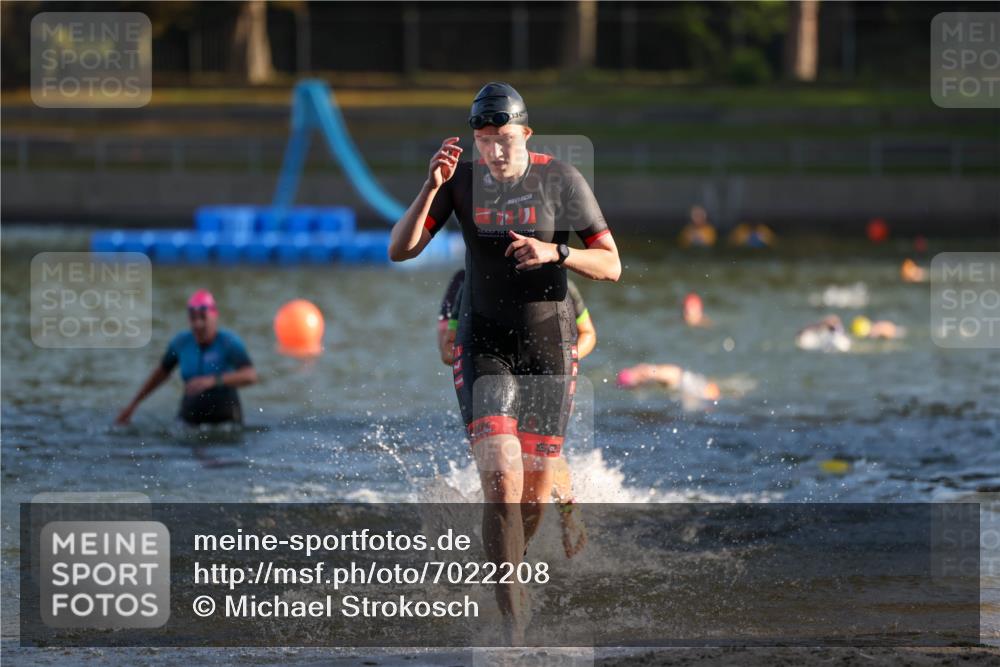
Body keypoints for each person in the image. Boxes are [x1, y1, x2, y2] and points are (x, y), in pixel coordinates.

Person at [390, 82, 620, 643]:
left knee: (533, 496)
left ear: (527, 135)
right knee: (501, 481)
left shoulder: (561, 181)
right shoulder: (460, 181)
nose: (494, 151)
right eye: (485, 139)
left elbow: (611, 264)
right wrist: (430, 187)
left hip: (548, 348)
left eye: (505, 139)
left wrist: (556, 251)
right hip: (485, 343)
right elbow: (400, 249)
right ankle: (513, 630)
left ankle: (507, 570)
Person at [438, 269, 591, 558]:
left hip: (546, 370)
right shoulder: (463, 282)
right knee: (504, 463)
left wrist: (563, 359)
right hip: (490, 372)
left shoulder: (556, 278)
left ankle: (567, 507)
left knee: (542, 454)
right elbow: (446, 349)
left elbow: (588, 333)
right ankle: (507, 548)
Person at [116, 290, 258, 426]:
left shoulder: (229, 342)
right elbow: (159, 375)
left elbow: (250, 376)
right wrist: (133, 405)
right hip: (189, 420)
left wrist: (213, 381)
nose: (198, 324)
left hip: (225, 421)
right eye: (193, 318)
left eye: (203, 317)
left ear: (215, 316)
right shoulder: (181, 343)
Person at [616, 363, 721, 402]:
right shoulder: (648, 373)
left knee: (710, 397)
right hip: (685, 381)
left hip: (687, 383)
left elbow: (675, 374)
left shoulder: (648, 372)